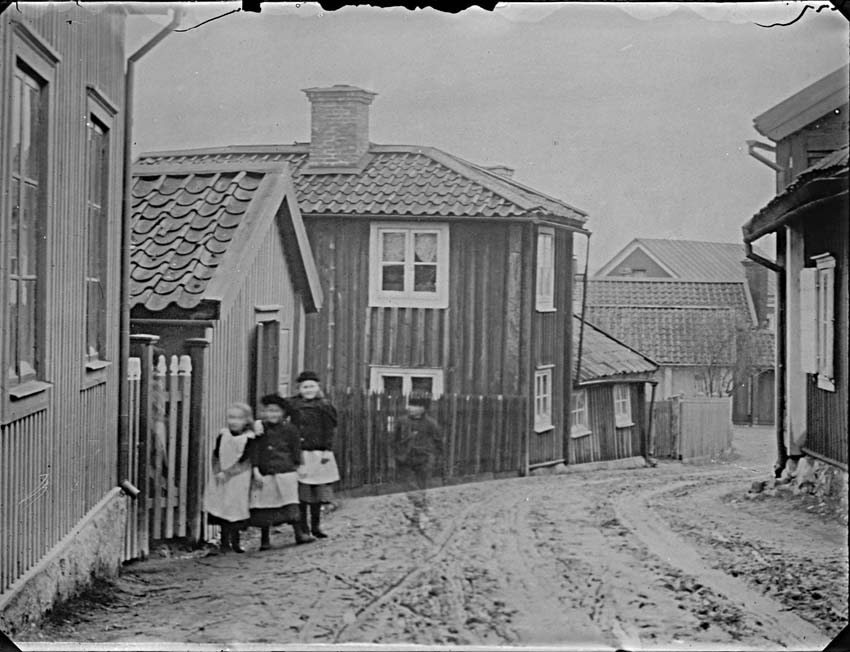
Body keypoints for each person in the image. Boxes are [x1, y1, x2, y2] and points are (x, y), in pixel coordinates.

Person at [247, 394, 311, 550]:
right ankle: (265, 540)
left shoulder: (290, 429)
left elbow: (296, 449)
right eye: (269, 411)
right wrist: (256, 470)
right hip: (266, 472)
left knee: (291, 503)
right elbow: (254, 450)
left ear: (283, 413)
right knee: (265, 506)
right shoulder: (259, 430)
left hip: (285, 471)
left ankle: (299, 533)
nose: (272, 415)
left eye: (276, 411)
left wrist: (299, 465)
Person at [288, 371, 340, 540]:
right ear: (299, 388)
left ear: (318, 387)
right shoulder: (293, 405)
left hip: (319, 453)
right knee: (302, 492)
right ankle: (303, 527)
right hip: (300, 452)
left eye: (312, 386)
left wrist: (327, 450)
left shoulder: (325, 406)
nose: (309, 390)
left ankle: (316, 525)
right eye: (305, 387)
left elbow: (329, 430)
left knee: (317, 491)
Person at [203, 403, 255, 553]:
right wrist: (217, 471)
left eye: (239, 418)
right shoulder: (223, 435)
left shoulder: (249, 438)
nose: (234, 421)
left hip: (238, 478)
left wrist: (228, 473)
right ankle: (224, 542)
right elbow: (216, 454)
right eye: (231, 417)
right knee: (222, 507)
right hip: (221, 478)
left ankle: (236, 542)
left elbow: (245, 461)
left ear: (246, 420)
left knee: (235, 509)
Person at [393, 394, 443, 530]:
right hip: (405, 460)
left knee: (421, 487)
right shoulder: (402, 421)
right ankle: (422, 506)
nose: (411, 408)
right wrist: (398, 453)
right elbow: (394, 440)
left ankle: (417, 519)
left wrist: (433, 457)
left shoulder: (431, 424)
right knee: (408, 485)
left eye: (415, 405)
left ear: (423, 408)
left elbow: (438, 442)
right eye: (410, 405)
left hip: (424, 460)